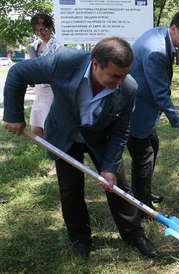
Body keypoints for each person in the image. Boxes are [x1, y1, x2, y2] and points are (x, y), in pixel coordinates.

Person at [3, 37, 156, 259]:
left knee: (117, 186)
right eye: (114, 75)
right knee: (70, 189)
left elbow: (121, 131)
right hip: (65, 133)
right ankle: (80, 238)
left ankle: (134, 234)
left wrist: (109, 167)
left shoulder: (128, 87)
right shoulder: (64, 62)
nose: (120, 82)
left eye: (123, 75)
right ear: (95, 64)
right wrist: (14, 115)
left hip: (100, 136)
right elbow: (18, 73)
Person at [128, 10, 179, 209]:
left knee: (153, 145)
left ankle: (145, 193)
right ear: (174, 29)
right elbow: (160, 95)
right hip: (136, 110)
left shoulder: (161, 34)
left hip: (145, 107)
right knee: (143, 155)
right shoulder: (157, 51)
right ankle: (142, 206)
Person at [28, 13, 61, 137]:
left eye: (42, 29)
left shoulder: (57, 45)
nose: (40, 33)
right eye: (36, 30)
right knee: (36, 129)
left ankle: (58, 154)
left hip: (52, 91)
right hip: (39, 92)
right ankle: (52, 153)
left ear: (50, 27)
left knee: (50, 129)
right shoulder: (36, 45)